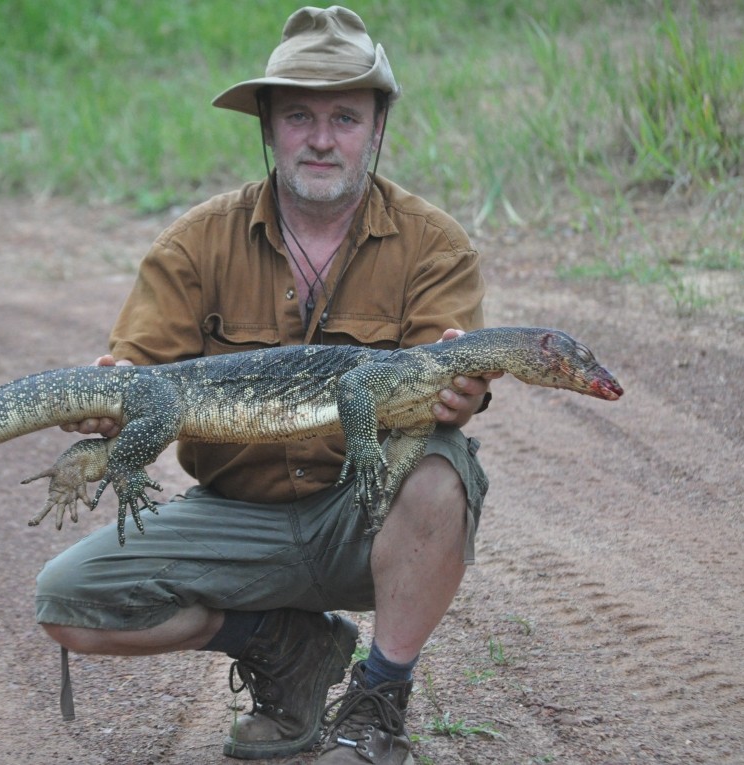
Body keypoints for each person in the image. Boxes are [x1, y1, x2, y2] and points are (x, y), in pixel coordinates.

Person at [35, 6, 495, 764]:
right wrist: (108, 396)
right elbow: (136, 371)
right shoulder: (196, 241)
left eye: (345, 116)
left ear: (377, 128)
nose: (321, 138)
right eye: (299, 116)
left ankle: (378, 702)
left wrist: (460, 392)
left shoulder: (433, 244)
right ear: (268, 126)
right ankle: (287, 645)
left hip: (362, 510)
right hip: (236, 517)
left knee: (444, 471)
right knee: (69, 602)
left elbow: (445, 378)